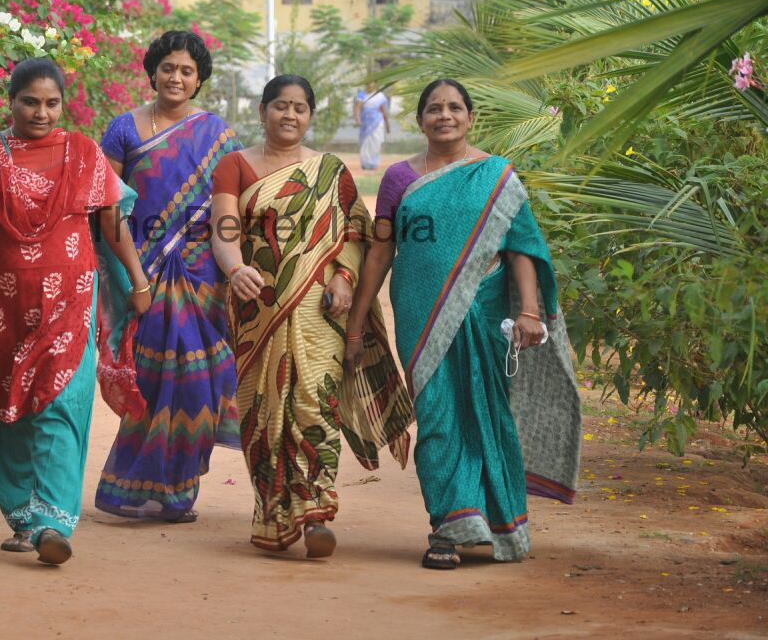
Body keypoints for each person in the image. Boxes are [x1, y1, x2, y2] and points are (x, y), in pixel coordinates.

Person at [343, 78, 582, 569]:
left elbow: (522, 248)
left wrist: (530, 311)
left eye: (454, 107)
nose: (444, 115)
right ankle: (449, 528)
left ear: (471, 118)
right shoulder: (398, 178)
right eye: (434, 108)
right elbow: (381, 251)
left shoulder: (496, 176)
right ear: (420, 120)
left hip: (486, 308)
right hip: (419, 313)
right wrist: (355, 322)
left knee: (486, 410)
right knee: (435, 415)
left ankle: (498, 527)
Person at [0, 57, 151, 565]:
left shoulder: (83, 153)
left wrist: (138, 279)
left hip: (72, 301)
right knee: (7, 404)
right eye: (30, 102)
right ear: (10, 102)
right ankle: (23, 517)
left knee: (61, 403)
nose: (41, 112)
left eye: (51, 102)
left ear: (63, 104)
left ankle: (53, 521)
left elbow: (112, 221)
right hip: (2, 307)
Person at [211, 74, 415, 557]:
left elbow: (357, 237)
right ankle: (273, 512)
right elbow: (223, 229)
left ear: (310, 116)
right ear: (262, 112)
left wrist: (344, 279)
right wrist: (235, 267)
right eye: (279, 106)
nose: (289, 115)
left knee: (314, 401)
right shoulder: (234, 166)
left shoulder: (332, 171)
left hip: (319, 308)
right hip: (256, 308)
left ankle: (317, 507)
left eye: (300, 108)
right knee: (262, 412)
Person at [93, 31, 242, 523]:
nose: (176, 77)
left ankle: (179, 488)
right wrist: (133, 277)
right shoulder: (123, 129)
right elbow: (107, 207)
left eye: (187, 71)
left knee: (203, 381)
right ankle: (141, 483)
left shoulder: (217, 133)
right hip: (144, 270)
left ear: (199, 80)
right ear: (152, 71)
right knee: (155, 380)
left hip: (204, 272)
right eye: (168, 68)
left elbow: (235, 202)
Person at [353, 83, 390, 171]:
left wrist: (387, 124)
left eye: (372, 84)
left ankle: (373, 164)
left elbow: (384, 111)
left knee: (376, 143)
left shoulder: (380, 95)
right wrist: (357, 119)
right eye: (368, 84)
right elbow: (357, 108)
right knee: (365, 144)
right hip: (365, 124)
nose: (369, 86)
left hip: (377, 123)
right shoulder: (361, 94)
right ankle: (365, 164)